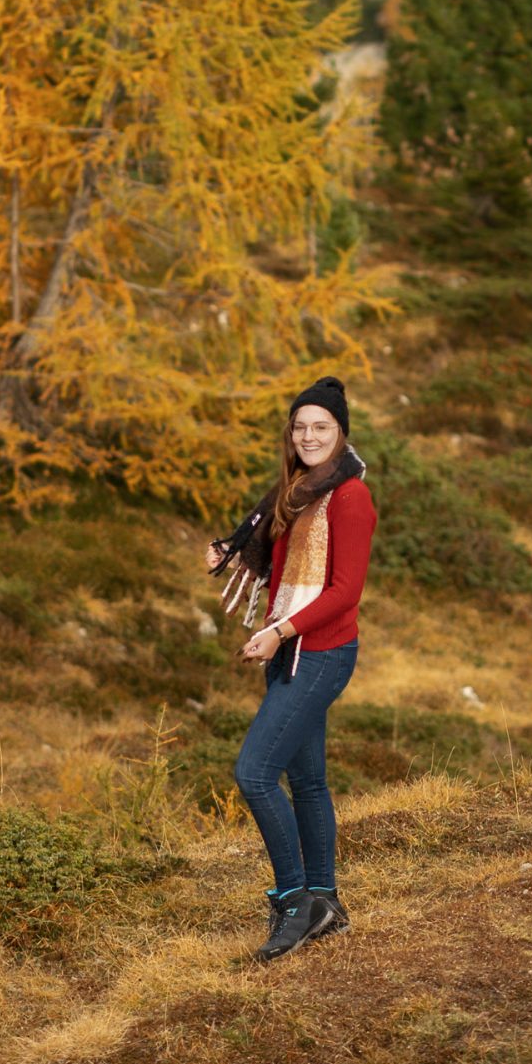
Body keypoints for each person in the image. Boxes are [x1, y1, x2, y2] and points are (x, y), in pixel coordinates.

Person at [205, 375, 377, 963]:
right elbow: (270, 547)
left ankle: (295, 899)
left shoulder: (350, 497)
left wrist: (279, 630)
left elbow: (345, 591)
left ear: (340, 432)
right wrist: (233, 551)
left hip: (320, 653)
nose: (309, 436)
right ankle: (325, 901)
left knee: (254, 773)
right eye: (300, 426)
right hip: (290, 650)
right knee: (305, 781)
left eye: (321, 427)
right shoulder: (297, 490)